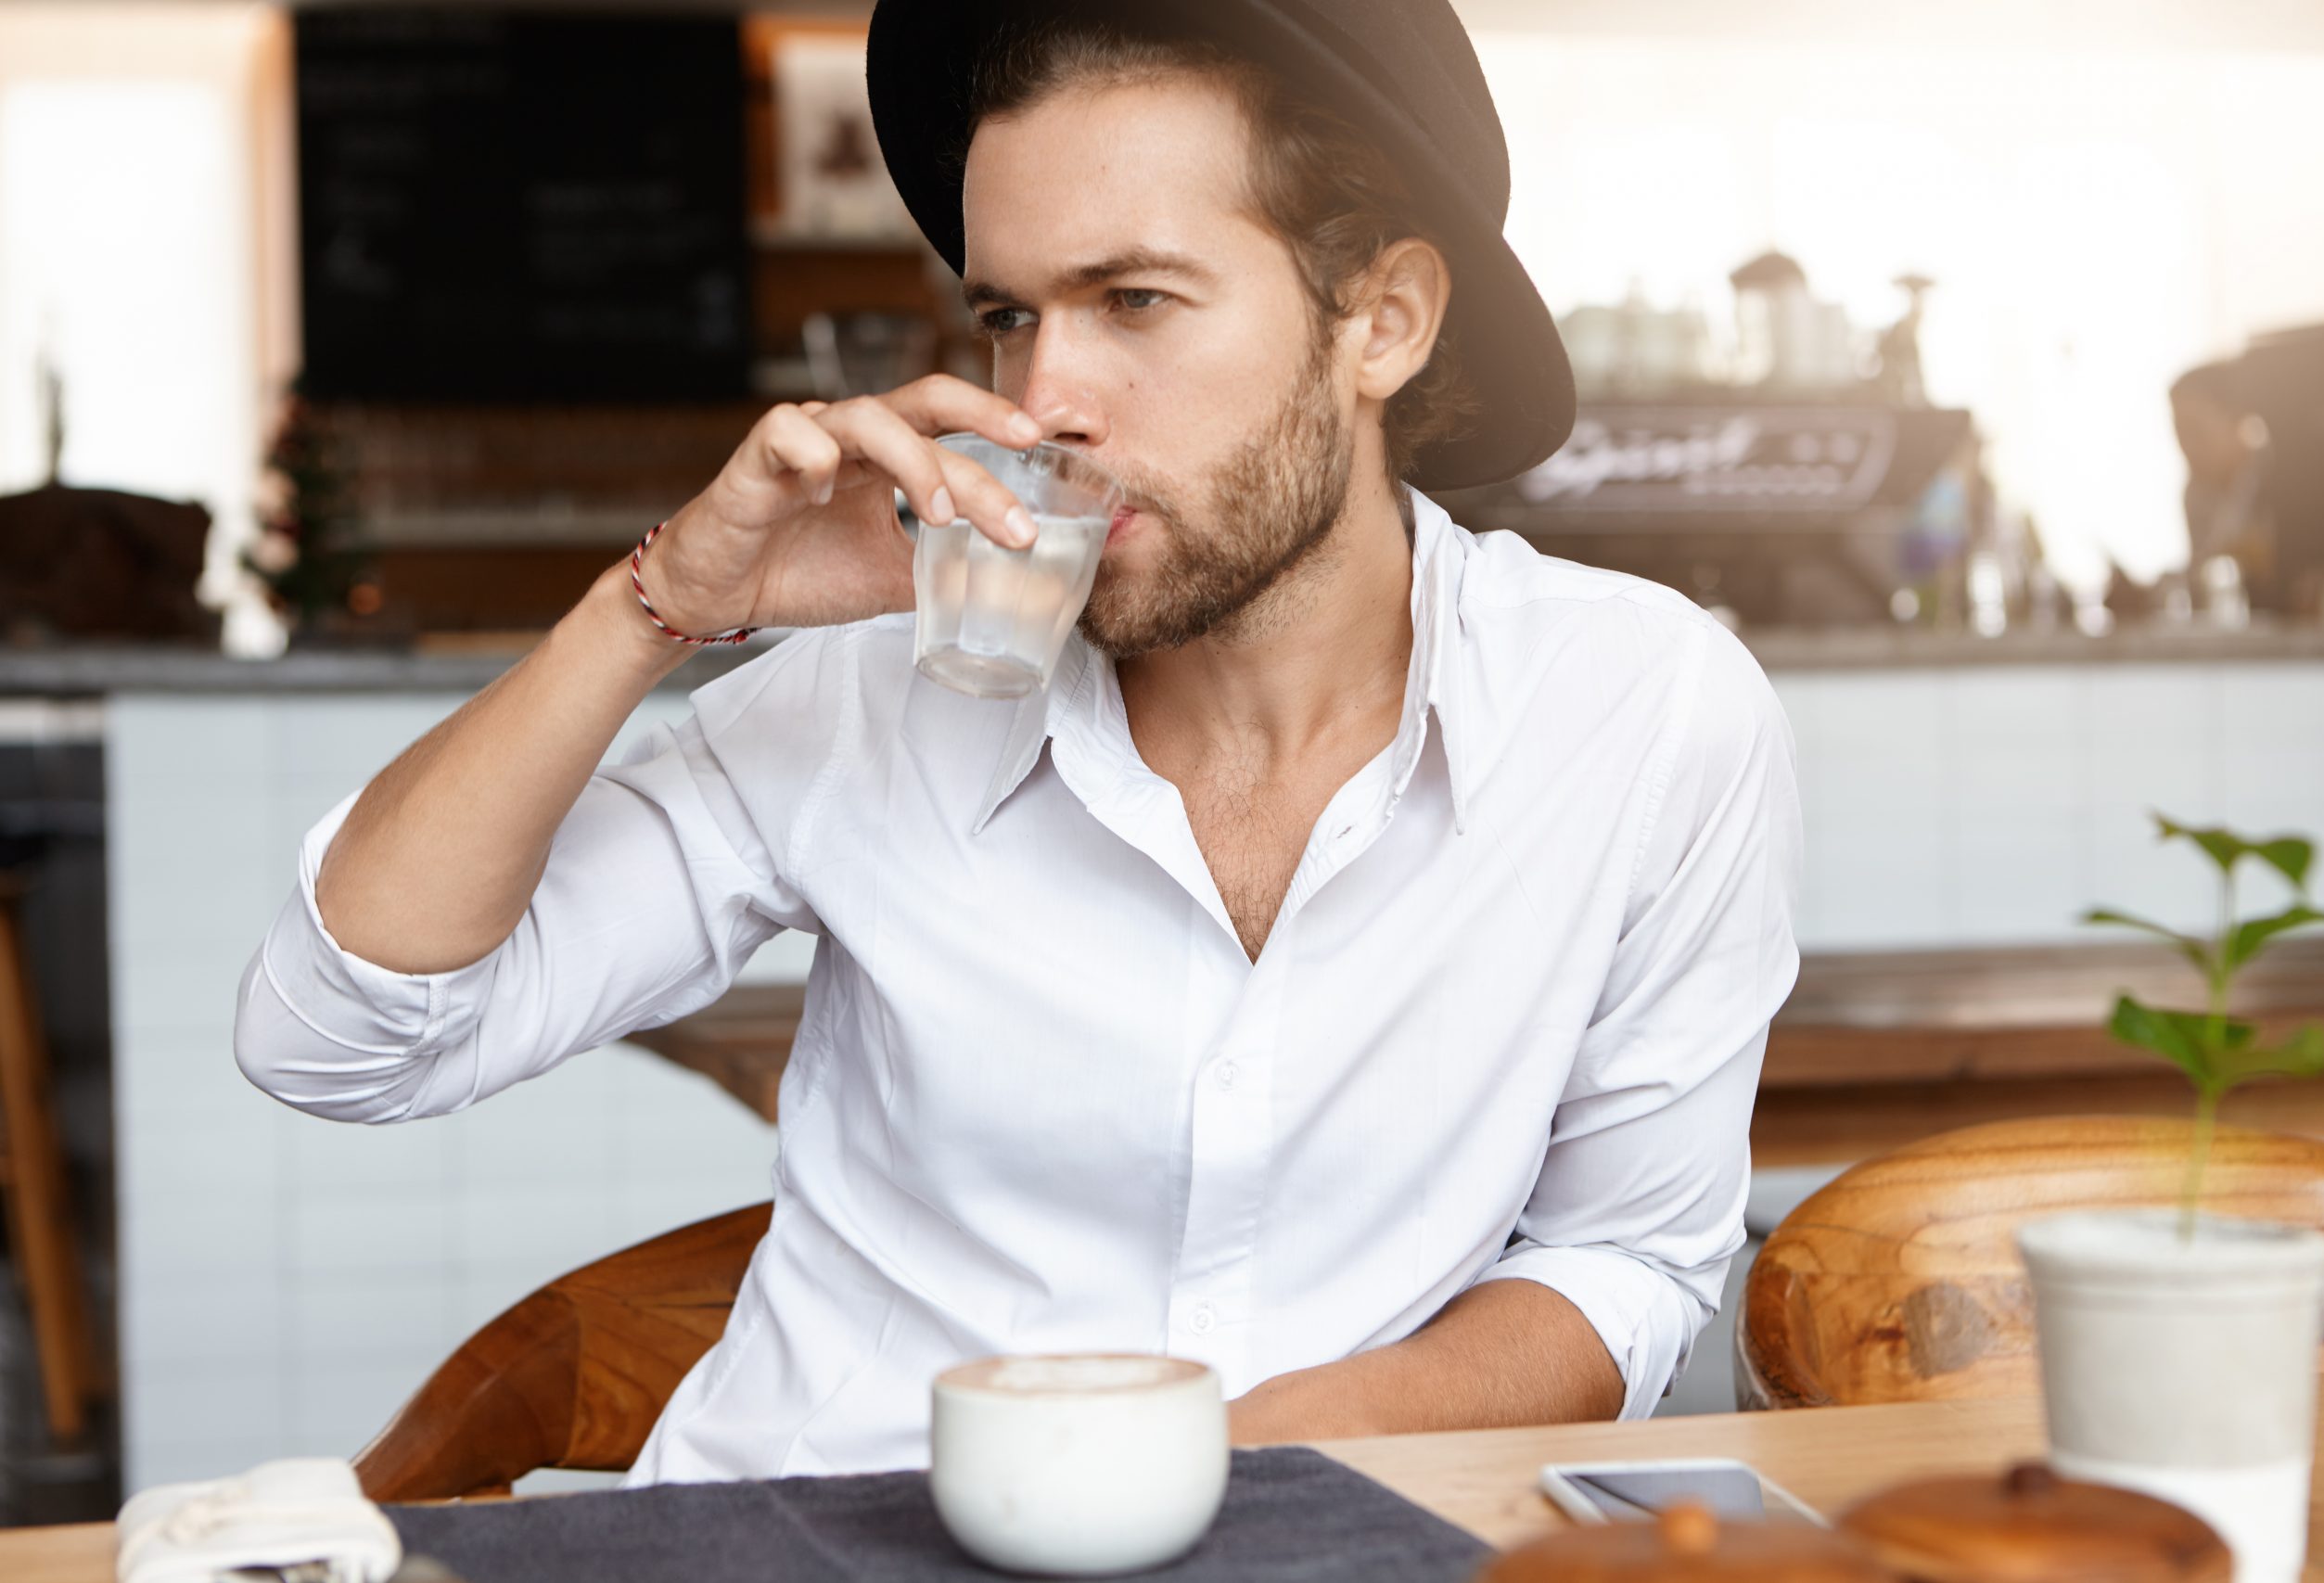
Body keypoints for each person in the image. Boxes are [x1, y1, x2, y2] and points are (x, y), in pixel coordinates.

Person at [234, 0, 1801, 1484]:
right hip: (824, 1539)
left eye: (1134, 301)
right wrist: (660, 609)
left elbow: (1629, 1259)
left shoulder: (1645, 713)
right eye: (1006, 316)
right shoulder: (872, 686)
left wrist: (1247, 1465)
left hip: (1318, 1543)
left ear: (1381, 320)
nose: (1042, 401)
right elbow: (339, 1040)